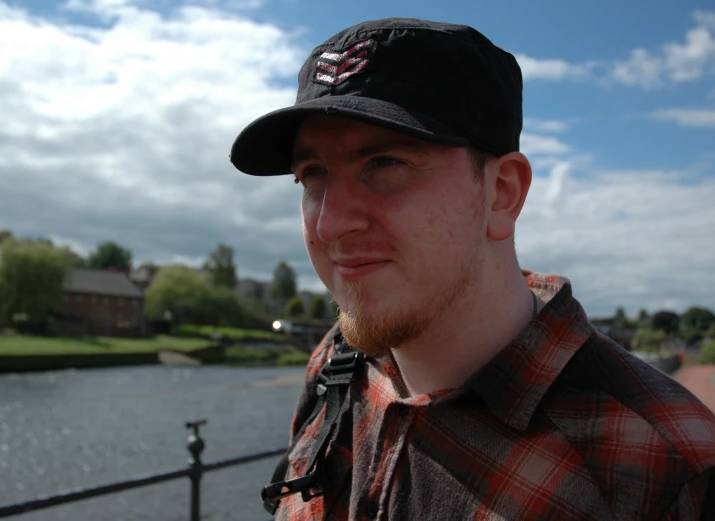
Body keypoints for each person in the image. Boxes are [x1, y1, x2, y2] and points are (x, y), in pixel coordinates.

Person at [230, 18, 715, 520]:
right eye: (313, 174)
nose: (330, 224)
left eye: (384, 164)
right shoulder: (338, 364)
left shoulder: (662, 469)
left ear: (502, 192)